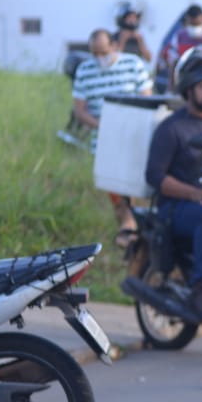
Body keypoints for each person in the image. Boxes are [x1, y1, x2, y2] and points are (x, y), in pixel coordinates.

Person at [144, 46, 202, 323]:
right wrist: (195, 193)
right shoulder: (171, 128)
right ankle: (201, 287)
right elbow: (155, 177)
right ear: (189, 90)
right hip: (179, 208)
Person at [71, 27, 153, 247]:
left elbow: (147, 99)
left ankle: (132, 223)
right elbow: (80, 111)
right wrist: (102, 126)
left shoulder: (133, 65)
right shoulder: (85, 71)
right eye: (94, 54)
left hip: (133, 133)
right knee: (114, 184)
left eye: (104, 52)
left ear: (115, 46)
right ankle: (127, 221)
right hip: (104, 136)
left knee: (133, 182)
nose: (99, 59)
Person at [159, 4, 202, 87]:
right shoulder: (179, 37)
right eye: (192, 24)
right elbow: (173, 64)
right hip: (185, 85)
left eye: (197, 24)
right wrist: (171, 85)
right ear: (187, 21)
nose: (195, 28)